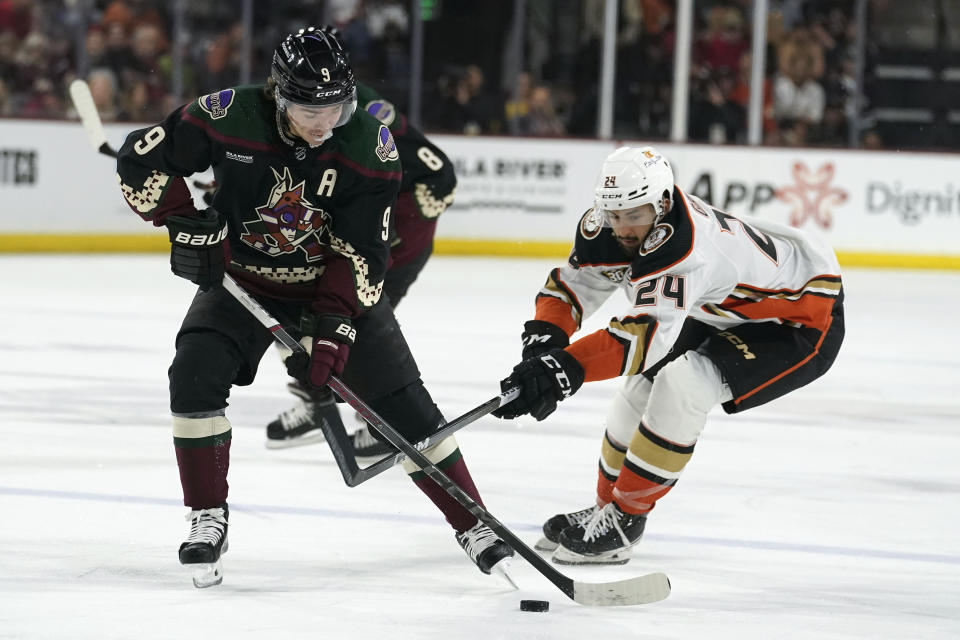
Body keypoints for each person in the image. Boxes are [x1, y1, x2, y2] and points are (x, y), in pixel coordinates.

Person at [115, 26, 512, 585]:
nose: (325, 122)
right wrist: (186, 223)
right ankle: (207, 514)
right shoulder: (227, 115)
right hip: (244, 284)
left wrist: (330, 332)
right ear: (279, 92)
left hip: (329, 283)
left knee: (404, 406)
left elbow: (361, 252)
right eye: (309, 109)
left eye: (336, 107)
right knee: (193, 372)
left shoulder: (369, 144)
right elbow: (140, 159)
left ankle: (472, 521)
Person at [492, 146, 844, 565]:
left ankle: (627, 520)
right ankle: (608, 507)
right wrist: (543, 345)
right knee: (641, 385)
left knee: (683, 384)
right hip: (722, 310)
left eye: (633, 215)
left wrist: (563, 370)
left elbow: (642, 338)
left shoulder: (685, 249)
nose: (622, 229)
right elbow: (574, 286)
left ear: (661, 204)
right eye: (613, 214)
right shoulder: (613, 223)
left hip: (798, 322)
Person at [264, 26, 456, 457]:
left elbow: (439, 174)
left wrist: (389, 227)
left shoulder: (366, 110)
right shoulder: (284, 108)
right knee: (283, 300)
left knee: (349, 323)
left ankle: (385, 419)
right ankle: (319, 400)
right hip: (349, 237)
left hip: (385, 245)